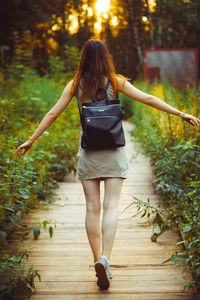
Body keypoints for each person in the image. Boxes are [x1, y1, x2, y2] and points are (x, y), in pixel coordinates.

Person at [13, 39, 200, 290]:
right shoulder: (116, 81)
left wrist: (30, 139)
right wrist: (181, 113)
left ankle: (95, 259)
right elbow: (148, 98)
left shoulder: (76, 84)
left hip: (89, 153)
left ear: (84, 58)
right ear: (106, 57)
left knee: (92, 208)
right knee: (110, 207)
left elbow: (52, 113)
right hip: (113, 152)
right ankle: (106, 260)